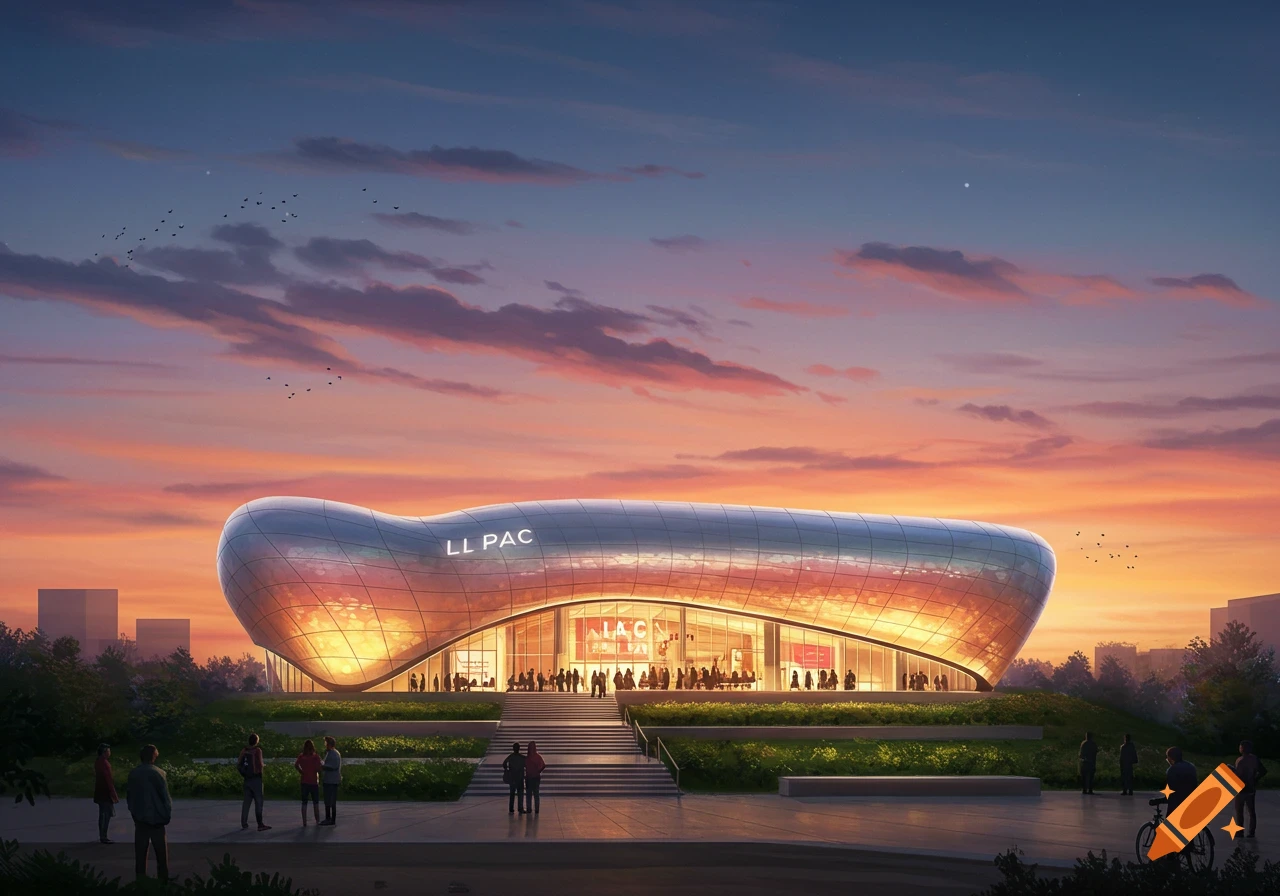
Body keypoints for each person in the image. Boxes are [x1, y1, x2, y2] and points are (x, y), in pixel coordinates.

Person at [127, 744, 171, 883]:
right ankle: (163, 881)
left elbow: (130, 797)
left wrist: (135, 814)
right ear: (153, 755)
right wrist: (165, 815)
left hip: (140, 820)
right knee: (161, 855)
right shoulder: (159, 773)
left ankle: (141, 881)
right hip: (157, 820)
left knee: (140, 854)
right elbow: (165, 798)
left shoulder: (133, 773)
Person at [237, 733, 271, 831]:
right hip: (256, 779)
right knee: (258, 802)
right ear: (256, 741)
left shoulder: (244, 750)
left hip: (247, 779)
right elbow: (260, 764)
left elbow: (239, 763)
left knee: (246, 802)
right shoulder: (257, 750)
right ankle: (260, 824)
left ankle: (244, 823)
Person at [1234, 739, 1267, 839]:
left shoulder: (1240, 760)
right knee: (1251, 811)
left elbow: (1237, 775)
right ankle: (1251, 832)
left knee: (1239, 811)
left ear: (1242, 748)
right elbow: (1263, 771)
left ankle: (1240, 832)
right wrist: (1255, 779)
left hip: (1240, 789)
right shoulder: (1254, 759)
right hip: (1250, 788)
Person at [294, 739, 323, 826]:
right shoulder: (315, 757)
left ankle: (304, 822)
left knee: (304, 802)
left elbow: (296, 765)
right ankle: (317, 820)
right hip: (313, 782)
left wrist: (301, 771)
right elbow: (319, 768)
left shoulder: (301, 756)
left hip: (304, 781)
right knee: (316, 802)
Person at [94, 743, 118, 844]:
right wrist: (113, 794)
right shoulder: (104, 763)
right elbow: (108, 780)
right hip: (105, 792)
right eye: (108, 751)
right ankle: (103, 836)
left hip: (100, 791)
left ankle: (102, 835)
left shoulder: (98, 762)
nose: (110, 753)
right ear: (104, 752)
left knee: (103, 814)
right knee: (105, 814)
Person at [1164, 747, 1197, 813]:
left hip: (1177, 803)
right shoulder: (1191, 767)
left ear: (1170, 758)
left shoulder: (1171, 770)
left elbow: (1170, 791)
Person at [320, 736, 342, 825]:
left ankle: (330, 819)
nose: (325, 745)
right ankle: (329, 818)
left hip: (331, 781)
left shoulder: (334, 754)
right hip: (329, 780)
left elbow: (334, 766)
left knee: (330, 800)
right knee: (328, 800)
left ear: (329, 744)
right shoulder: (330, 753)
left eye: (326, 743)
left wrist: (323, 766)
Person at [503, 742, 526, 815]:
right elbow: (527, 765)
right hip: (520, 777)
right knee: (520, 794)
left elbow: (504, 763)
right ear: (519, 749)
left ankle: (511, 808)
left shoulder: (511, 756)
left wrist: (507, 770)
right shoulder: (522, 757)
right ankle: (520, 808)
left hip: (512, 778)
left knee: (512, 794)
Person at [525, 741, 546, 815]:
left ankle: (531, 809)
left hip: (532, 777)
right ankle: (533, 809)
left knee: (531, 794)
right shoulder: (536, 757)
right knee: (533, 794)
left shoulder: (529, 757)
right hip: (532, 777)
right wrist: (538, 771)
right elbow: (543, 765)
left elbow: (543, 766)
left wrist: (538, 771)